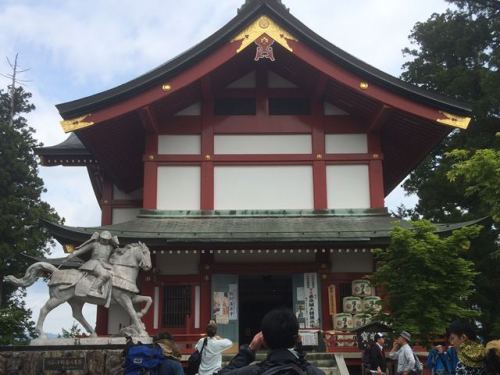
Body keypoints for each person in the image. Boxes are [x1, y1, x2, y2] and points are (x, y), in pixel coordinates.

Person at [218, 308, 325, 375]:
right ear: (297, 339)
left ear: (262, 340)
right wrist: (300, 352)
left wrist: (249, 350)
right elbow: (304, 365)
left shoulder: (252, 371)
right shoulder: (314, 372)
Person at [67, 230, 118, 297]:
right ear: (100, 238)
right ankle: (93, 290)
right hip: (94, 264)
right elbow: (82, 250)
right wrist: (73, 254)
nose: (104, 240)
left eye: (106, 239)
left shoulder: (110, 248)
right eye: (103, 239)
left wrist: (117, 244)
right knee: (105, 275)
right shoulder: (94, 244)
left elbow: (117, 254)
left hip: (106, 265)